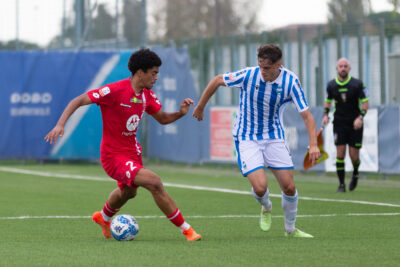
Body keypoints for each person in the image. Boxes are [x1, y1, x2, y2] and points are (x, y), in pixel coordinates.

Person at [45, 49, 201, 241]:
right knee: (154, 182)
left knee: (129, 192)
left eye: (157, 73)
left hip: (132, 153)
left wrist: (180, 113)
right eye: (153, 73)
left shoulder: (147, 96)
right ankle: (187, 230)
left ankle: (103, 217)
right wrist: (60, 124)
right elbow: (79, 100)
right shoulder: (114, 90)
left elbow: (162, 118)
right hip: (113, 155)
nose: (156, 77)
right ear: (139, 72)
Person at [193, 44, 320, 238]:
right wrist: (201, 106)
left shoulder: (290, 81)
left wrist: (313, 145)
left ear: (279, 65)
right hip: (246, 137)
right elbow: (218, 80)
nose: (263, 71)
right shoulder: (249, 75)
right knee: (260, 188)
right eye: (260, 66)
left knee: (289, 186)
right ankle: (266, 207)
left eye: (267, 68)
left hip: (274, 136)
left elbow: (307, 116)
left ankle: (290, 230)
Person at [322, 57, 369, 193]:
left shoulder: (357, 84)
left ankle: (355, 173)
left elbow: (366, 103)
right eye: (340, 66)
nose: (343, 68)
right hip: (339, 123)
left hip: (355, 124)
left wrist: (360, 118)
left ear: (349, 68)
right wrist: (325, 115)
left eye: (345, 66)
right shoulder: (331, 85)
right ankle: (341, 185)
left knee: (354, 156)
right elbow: (328, 101)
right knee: (340, 153)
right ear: (337, 68)